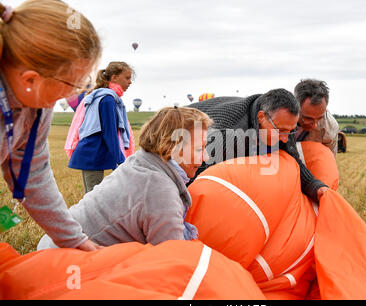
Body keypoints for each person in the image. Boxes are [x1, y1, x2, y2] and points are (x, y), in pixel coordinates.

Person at [0, 0, 102, 250]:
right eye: (74, 83)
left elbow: (33, 172)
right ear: (30, 79)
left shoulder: (36, 106)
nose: (77, 91)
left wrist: (76, 240)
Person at [37, 106, 212, 249]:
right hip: (64, 264)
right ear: (171, 148)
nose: (206, 158)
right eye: (199, 149)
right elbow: (170, 258)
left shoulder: (139, 162)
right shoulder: (161, 191)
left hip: (51, 246)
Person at [187, 88, 328, 203]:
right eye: (281, 131)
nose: (285, 139)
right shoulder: (230, 132)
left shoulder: (281, 122)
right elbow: (193, 174)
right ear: (261, 117)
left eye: (290, 132)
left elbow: (295, 161)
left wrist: (315, 186)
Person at [68, 62, 135, 193]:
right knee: (93, 198)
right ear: (114, 78)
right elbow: (109, 133)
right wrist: (121, 160)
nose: (130, 82)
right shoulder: (108, 99)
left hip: (94, 153)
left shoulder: (103, 96)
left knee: (93, 196)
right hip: (93, 154)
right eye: (127, 78)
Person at [294, 79, 340, 156]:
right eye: (308, 118)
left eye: (320, 118)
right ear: (295, 107)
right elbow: (270, 162)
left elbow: (328, 162)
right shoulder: (276, 119)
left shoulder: (330, 127)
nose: (315, 125)